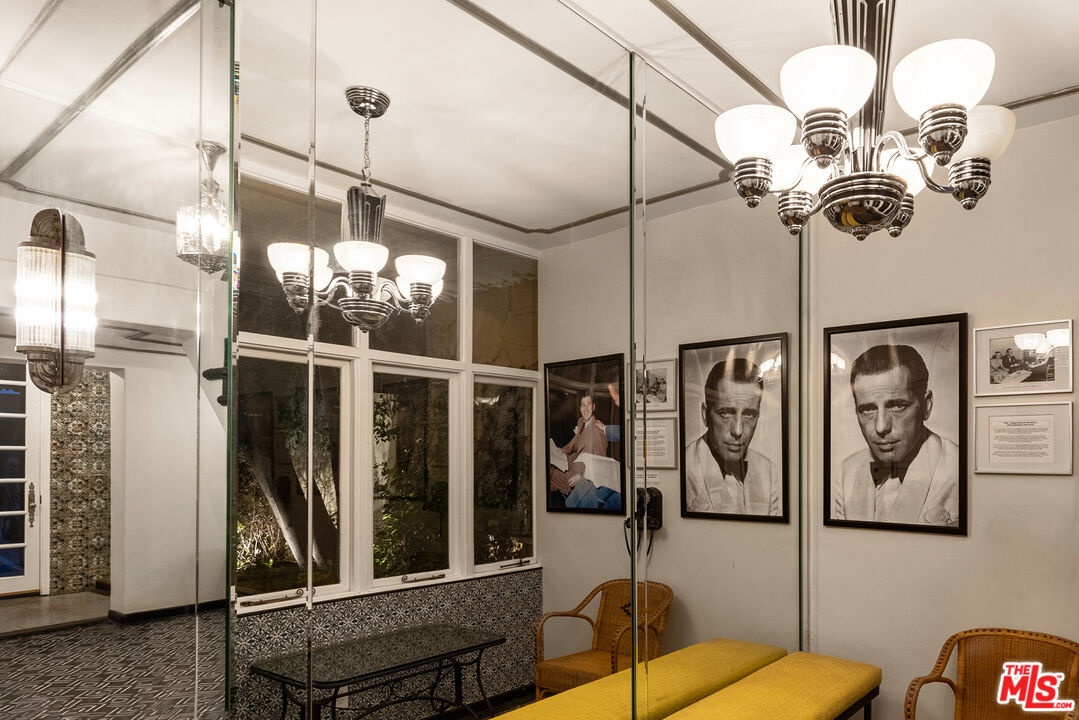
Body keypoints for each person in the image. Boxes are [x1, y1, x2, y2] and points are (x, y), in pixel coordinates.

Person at [833, 344, 959, 525]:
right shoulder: (847, 471)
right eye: (867, 409)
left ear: (926, 405)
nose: (881, 427)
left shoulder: (959, 470)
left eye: (898, 406)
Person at [684, 358, 780, 515]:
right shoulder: (685, 468)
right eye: (726, 413)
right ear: (705, 414)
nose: (738, 430)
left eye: (749, 414)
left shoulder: (767, 470)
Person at [548, 394, 619, 510]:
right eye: (583, 405)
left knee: (549, 475)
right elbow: (574, 443)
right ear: (580, 408)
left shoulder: (598, 432)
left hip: (583, 476)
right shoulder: (581, 422)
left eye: (588, 404)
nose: (586, 409)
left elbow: (600, 466)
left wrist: (580, 477)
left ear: (594, 407)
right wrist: (561, 450)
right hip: (572, 464)